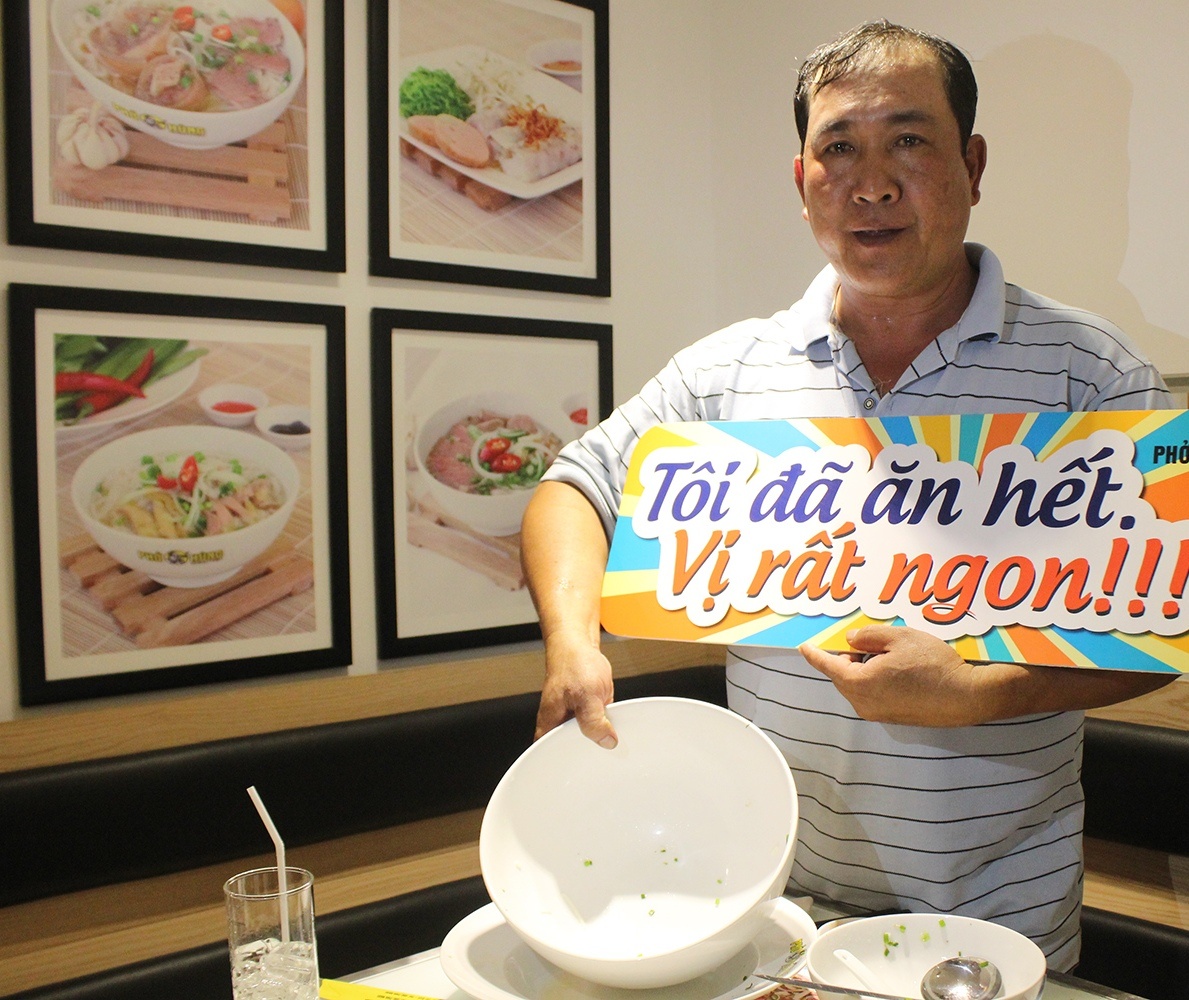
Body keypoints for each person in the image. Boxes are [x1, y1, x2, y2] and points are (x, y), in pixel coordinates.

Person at [520, 20, 1176, 970]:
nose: (870, 184)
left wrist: (976, 695)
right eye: (838, 148)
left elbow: (1162, 633)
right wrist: (572, 643)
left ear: (971, 165)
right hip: (765, 901)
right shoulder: (725, 373)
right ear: (802, 182)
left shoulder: (1091, 372)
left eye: (907, 140)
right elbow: (573, 487)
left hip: (995, 922)